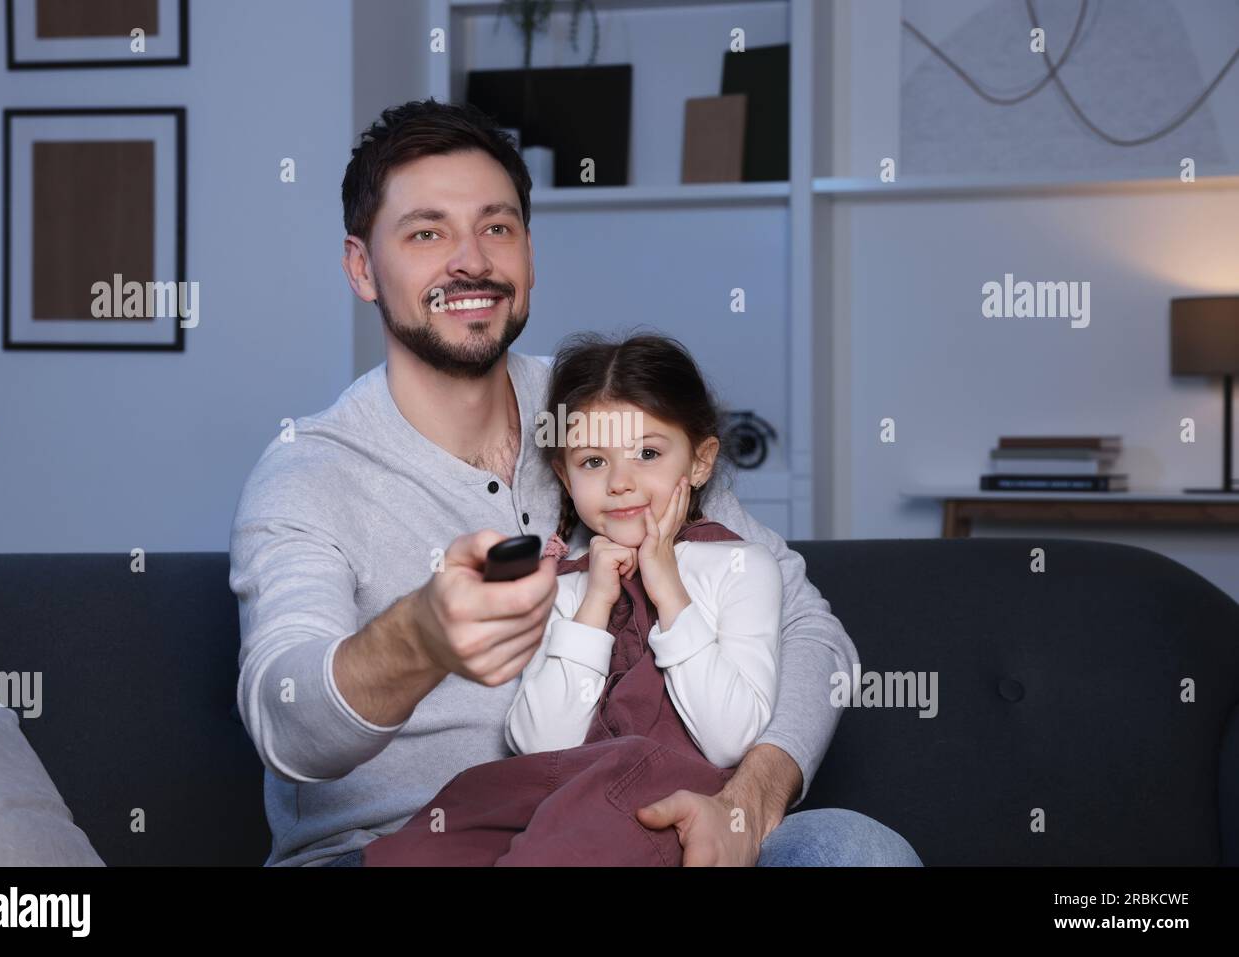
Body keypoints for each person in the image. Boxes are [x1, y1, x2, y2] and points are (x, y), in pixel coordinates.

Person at [228, 98, 922, 867]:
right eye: (427, 232)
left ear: (529, 252)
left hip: (647, 825)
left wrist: (745, 802)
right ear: (363, 267)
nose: (471, 261)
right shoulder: (309, 472)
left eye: (497, 227)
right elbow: (286, 720)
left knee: (856, 850)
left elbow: (813, 634)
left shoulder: (610, 412)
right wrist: (418, 637)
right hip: (395, 848)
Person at [360, 334, 782, 865]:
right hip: (560, 790)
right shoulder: (564, 586)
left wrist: (667, 586)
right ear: (564, 474)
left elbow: (729, 739)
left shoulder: (740, 567)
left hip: (669, 796)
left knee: (589, 814)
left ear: (700, 462)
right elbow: (541, 745)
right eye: (592, 462)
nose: (621, 483)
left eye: (648, 453)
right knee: (445, 827)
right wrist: (593, 607)